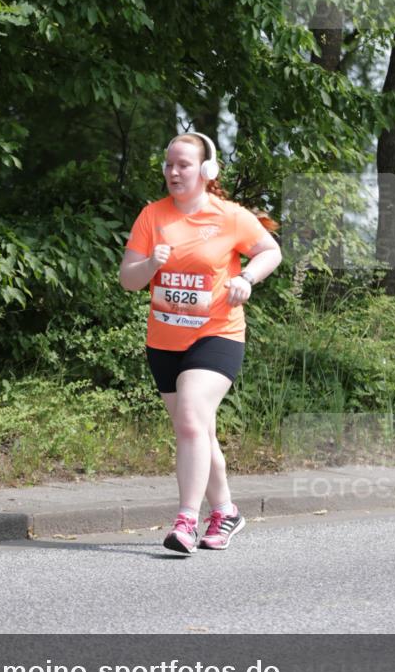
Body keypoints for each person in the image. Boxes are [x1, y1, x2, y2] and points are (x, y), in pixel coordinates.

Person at [119, 131, 282, 554]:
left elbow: (270, 251)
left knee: (191, 418)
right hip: (164, 341)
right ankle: (225, 511)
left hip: (217, 334)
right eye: (169, 164)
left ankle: (186, 521)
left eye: (183, 165)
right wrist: (150, 263)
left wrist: (247, 277)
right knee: (197, 431)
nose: (173, 172)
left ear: (206, 171)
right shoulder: (152, 216)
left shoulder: (229, 216)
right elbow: (128, 280)